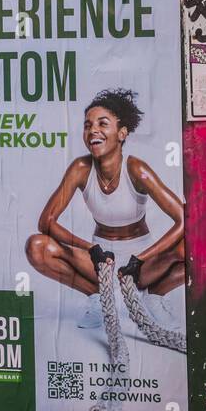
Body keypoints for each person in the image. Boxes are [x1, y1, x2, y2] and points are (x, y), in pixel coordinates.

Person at [24, 88, 185, 349]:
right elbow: (47, 222)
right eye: (88, 125)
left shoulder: (136, 169)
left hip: (142, 261)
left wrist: (141, 259)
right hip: (100, 259)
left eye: (102, 123)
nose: (93, 130)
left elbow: (183, 219)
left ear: (122, 133)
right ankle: (96, 295)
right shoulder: (80, 168)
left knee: (192, 247)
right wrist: (91, 249)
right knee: (37, 247)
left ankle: (155, 295)